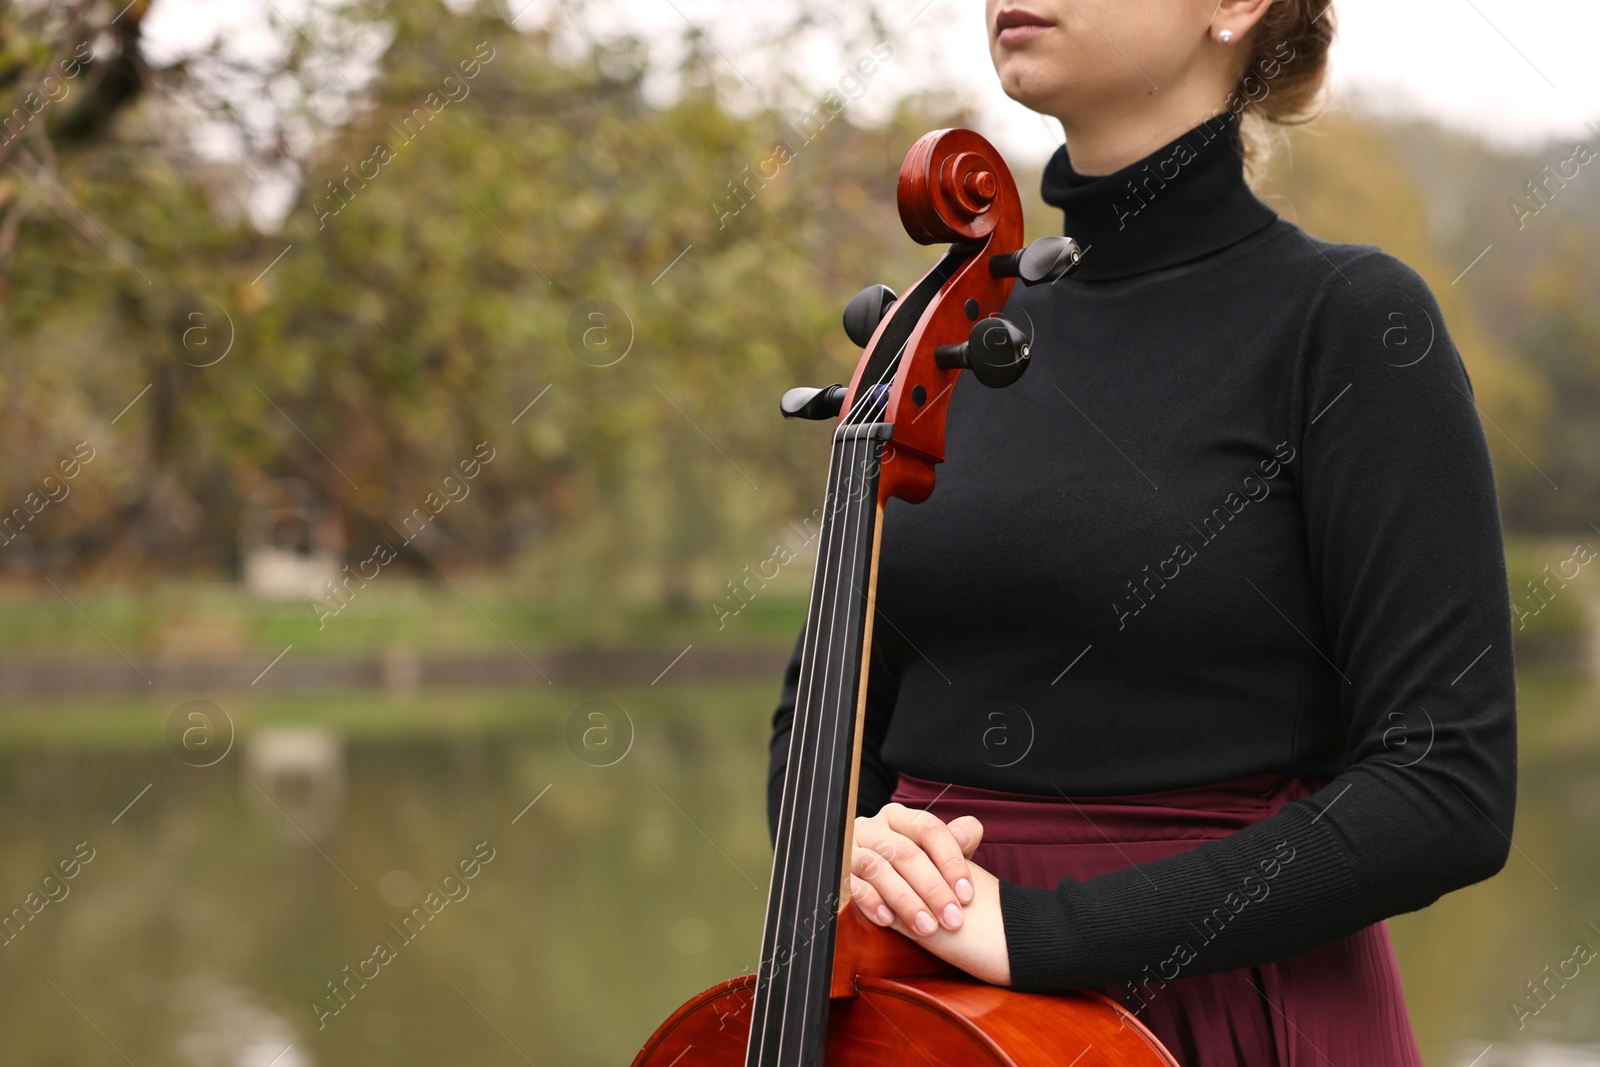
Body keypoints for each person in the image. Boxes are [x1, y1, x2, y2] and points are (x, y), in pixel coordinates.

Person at [765, 0, 1518, 1061]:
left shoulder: (1346, 323)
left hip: (1214, 1013)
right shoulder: (953, 342)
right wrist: (847, 846)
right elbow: (821, 722)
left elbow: (1445, 787)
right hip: (923, 1016)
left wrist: (1044, 931)